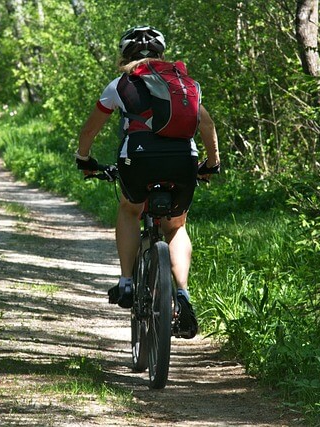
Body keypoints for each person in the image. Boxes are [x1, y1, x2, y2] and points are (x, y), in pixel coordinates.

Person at [75, 26, 220, 339]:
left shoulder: (120, 85)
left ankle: (127, 282)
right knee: (176, 227)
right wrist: (212, 164)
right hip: (183, 160)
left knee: (129, 209)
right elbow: (206, 124)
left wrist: (84, 160)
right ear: (161, 54)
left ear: (125, 56)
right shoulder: (184, 83)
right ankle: (182, 294)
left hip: (138, 161)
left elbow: (90, 131)